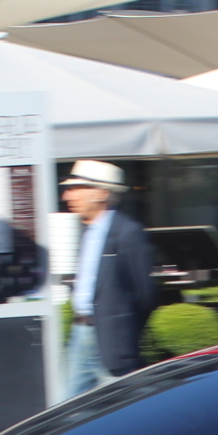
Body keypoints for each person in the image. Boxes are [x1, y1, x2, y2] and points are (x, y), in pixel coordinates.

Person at [59, 160, 156, 397]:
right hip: (81, 332)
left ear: (101, 193)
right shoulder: (87, 232)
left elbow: (145, 295)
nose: (67, 196)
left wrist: (122, 328)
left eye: (76, 189)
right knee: (67, 409)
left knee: (119, 407)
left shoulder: (127, 232)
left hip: (112, 340)